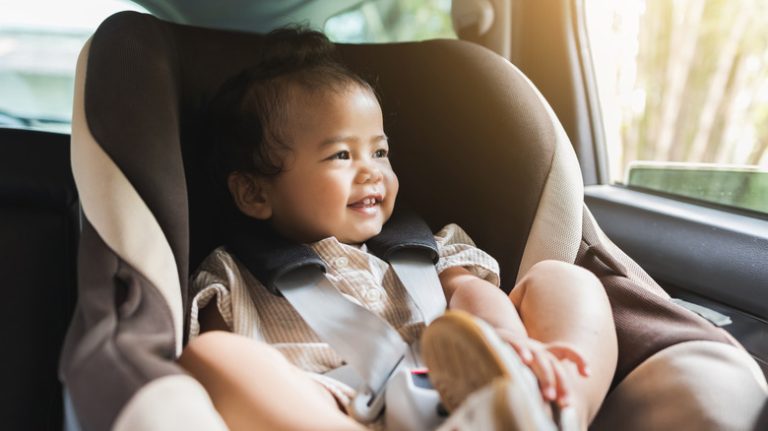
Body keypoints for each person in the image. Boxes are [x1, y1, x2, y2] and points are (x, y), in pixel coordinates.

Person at [178, 27, 618, 431]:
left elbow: (470, 292)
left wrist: (503, 341)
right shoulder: (232, 275)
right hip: (337, 403)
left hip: (469, 383)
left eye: (380, 152)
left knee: (564, 279)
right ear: (255, 194)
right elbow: (236, 365)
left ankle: (557, 408)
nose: (372, 172)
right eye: (341, 156)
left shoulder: (427, 246)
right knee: (210, 356)